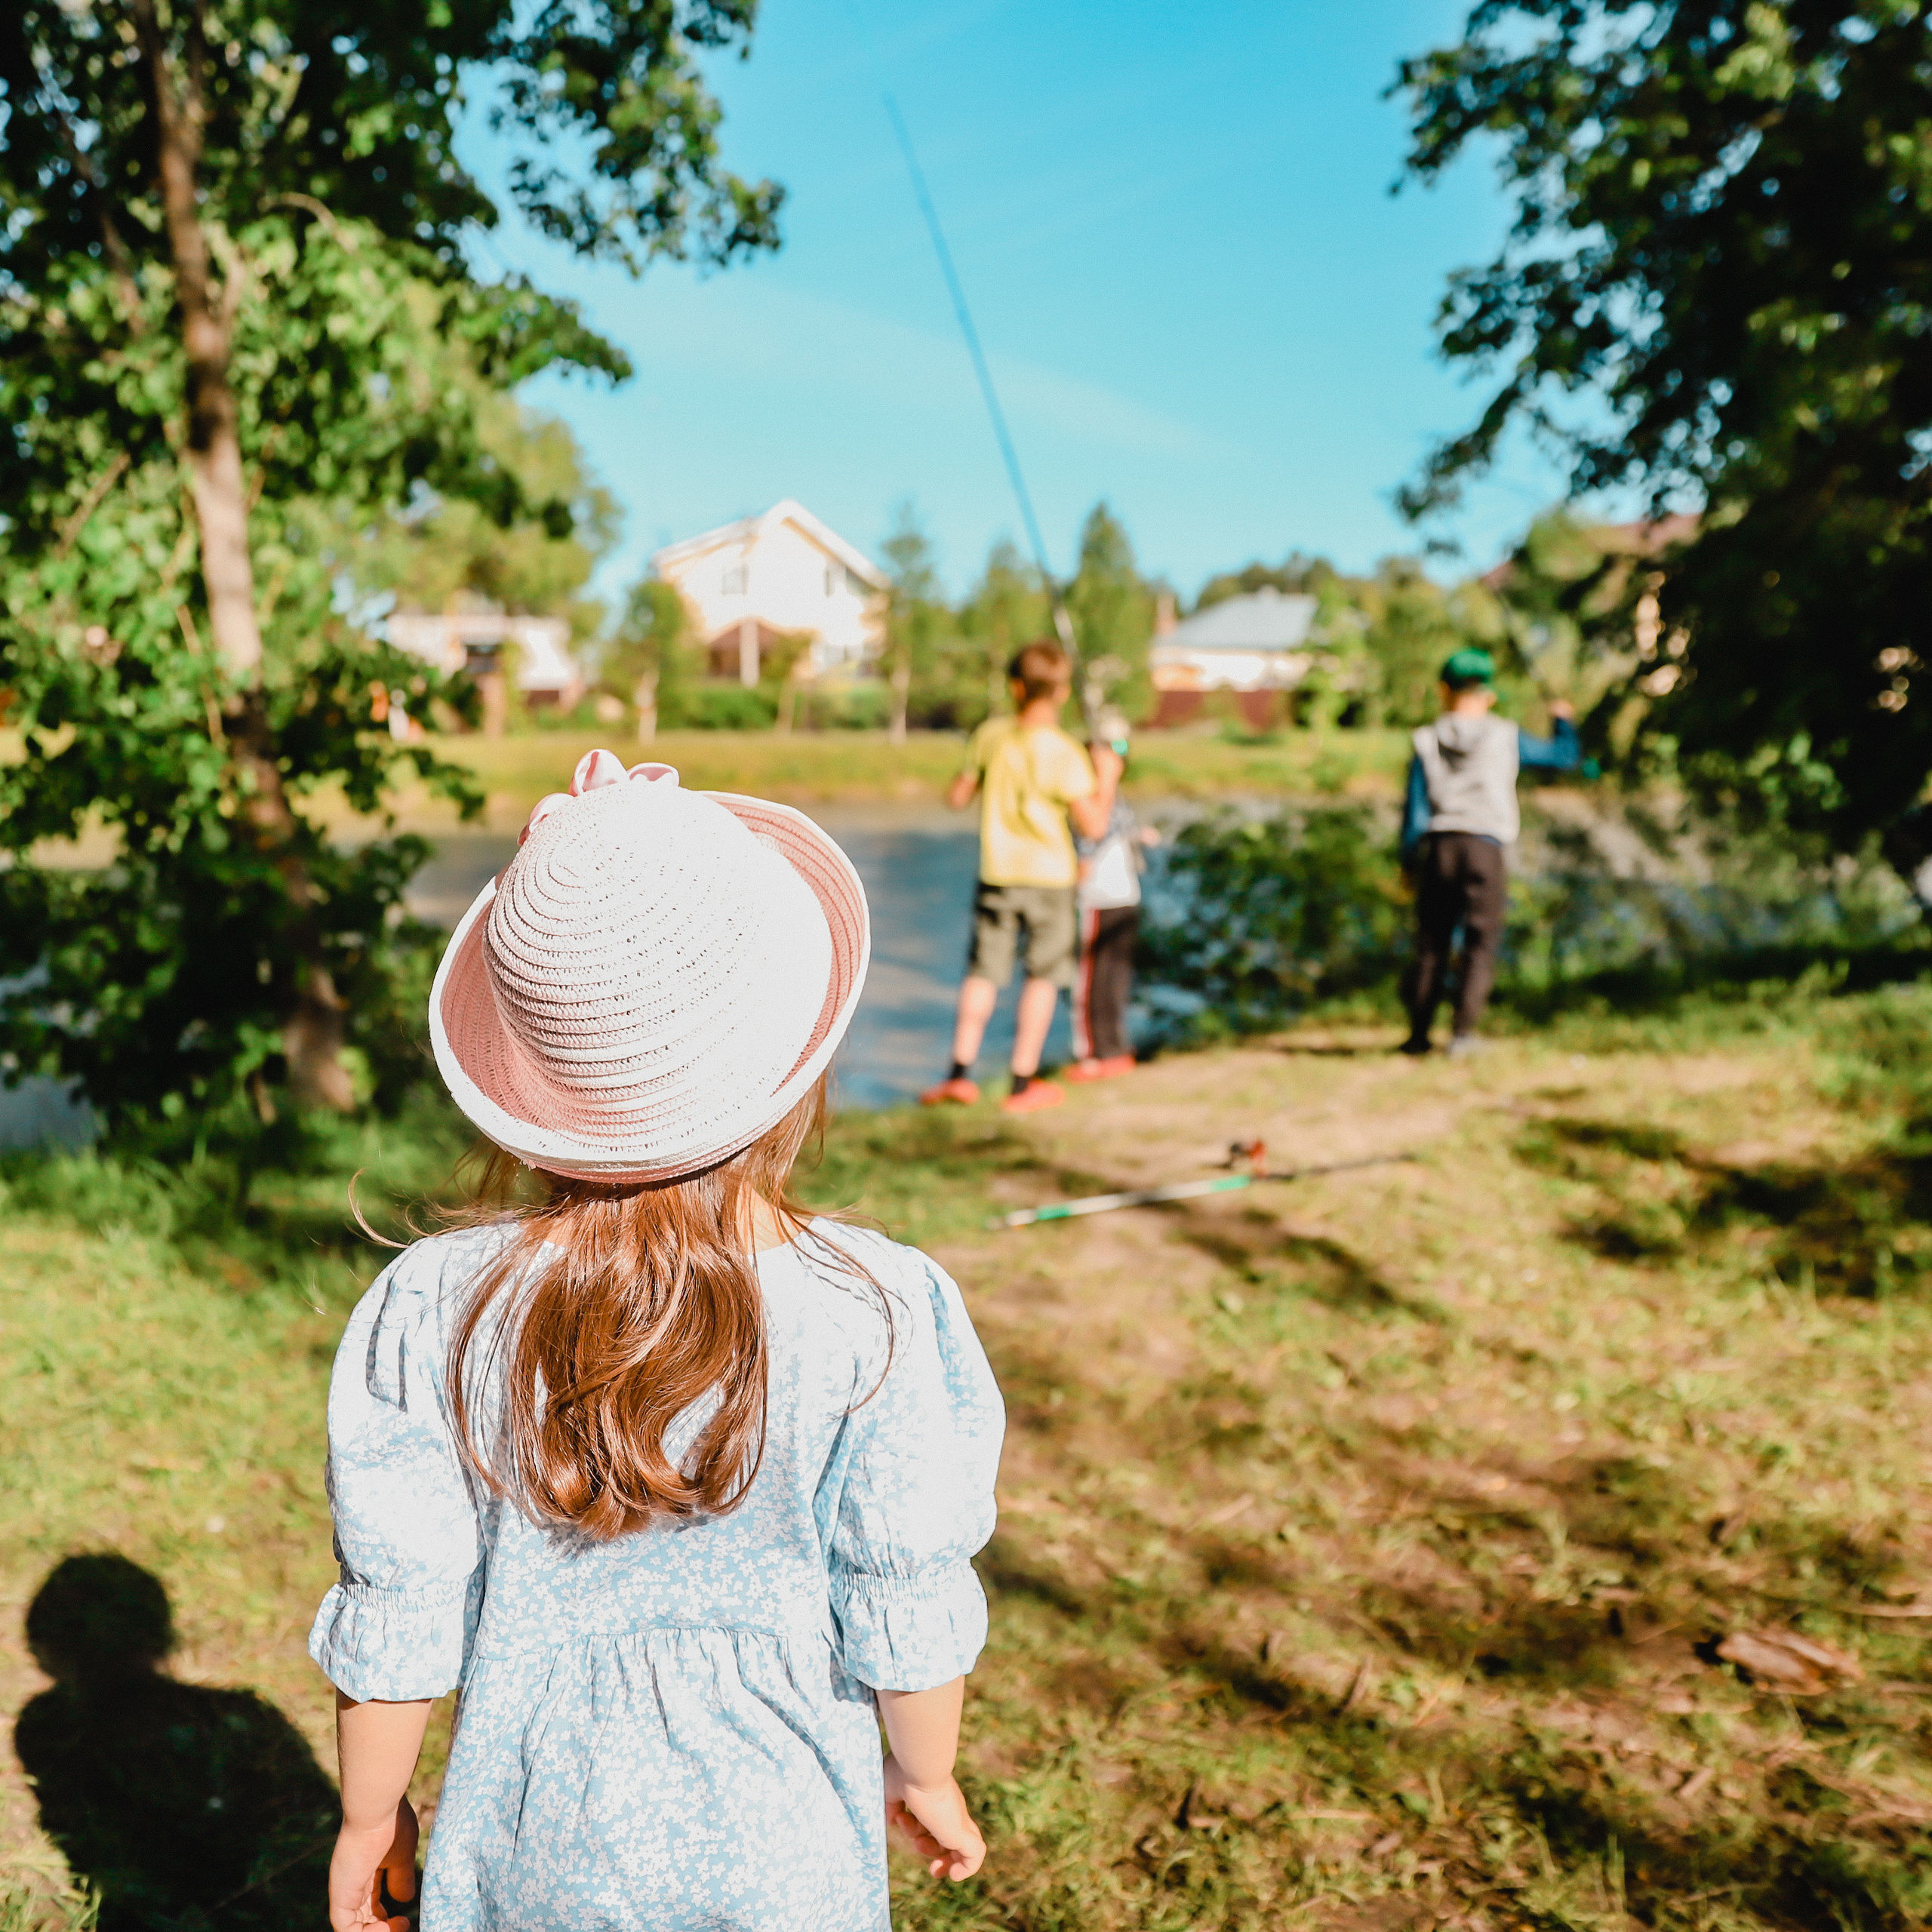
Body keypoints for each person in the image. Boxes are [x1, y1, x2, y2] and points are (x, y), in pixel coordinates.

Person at [310, 750, 1003, 1932]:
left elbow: (405, 1596)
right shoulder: (875, 1308)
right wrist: (926, 1770)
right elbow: (904, 1579)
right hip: (788, 1843)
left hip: (534, 1840)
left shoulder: (436, 1308)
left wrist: (370, 1815)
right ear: (792, 1070)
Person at [921, 641, 1118, 1115]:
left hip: (998, 873)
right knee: (1043, 978)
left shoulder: (991, 736)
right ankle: (1021, 1083)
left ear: (1014, 687)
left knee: (983, 972)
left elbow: (957, 796)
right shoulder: (1066, 751)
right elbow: (1094, 825)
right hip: (1050, 879)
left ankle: (959, 1076)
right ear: (1064, 692)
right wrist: (1108, 776)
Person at [1398, 648, 1581, 1056]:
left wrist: (1408, 860)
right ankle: (1462, 1035)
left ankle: (1418, 1035)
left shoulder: (1425, 739)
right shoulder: (1507, 736)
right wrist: (1563, 720)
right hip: (1485, 847)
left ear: (1443, 690)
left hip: (1440, 846)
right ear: (1490, 694)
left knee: (1432, 942)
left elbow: (1415, 808)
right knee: (1480, 941)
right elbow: (1565, 758)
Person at [1066, 715, 1161, 1082]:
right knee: (1090, 976)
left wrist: (1140, 834)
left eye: (1121, 749)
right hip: (1096, 896)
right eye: (1109, 749)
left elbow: (1116, 827)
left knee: (1115, 975)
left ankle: (1114, 1047)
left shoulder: (1113, 792)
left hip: (1124, 892)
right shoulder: (1083, 789)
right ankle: (1090, 1055)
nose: (1116, 757)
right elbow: (1089, 832)